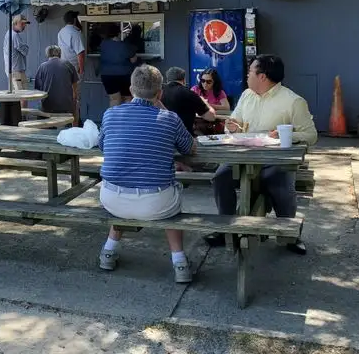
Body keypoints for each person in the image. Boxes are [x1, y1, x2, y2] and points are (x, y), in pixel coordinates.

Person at [206, 55, 318, 255]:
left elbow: (311, 135)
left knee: (278, 180)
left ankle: (289, 234)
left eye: (250, 72)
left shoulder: (293, 101)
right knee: (220, 177)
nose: (247, 76)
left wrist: (288, 135)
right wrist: (230, 125)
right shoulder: (247, 95)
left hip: (274, 159)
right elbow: (234, 121)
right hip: (241, 155)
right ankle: (225, 229)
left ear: (263, 77)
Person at [97, 65, 194, 283]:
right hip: (156, 203)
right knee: (173, 197)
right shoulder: (170, 119)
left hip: (112, 198)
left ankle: (108, 251)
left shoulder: (111, 114)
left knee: (127, 182)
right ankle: (179, 262)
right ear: (160, 93)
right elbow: (190, 148)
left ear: (131, 90)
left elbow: (103, 145)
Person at [161, 67, 217, 135]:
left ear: (167, 80)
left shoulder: (158, 93)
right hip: (183, 138)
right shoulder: (189, 94)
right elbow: (211, 117)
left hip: (161, 136)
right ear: (184, 80)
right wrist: (204, 101)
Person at [34, 45, 79, 121]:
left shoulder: (42, 67)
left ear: (47, 54)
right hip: (66, 106)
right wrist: (74, 101)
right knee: (76, 104)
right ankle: (74, 129)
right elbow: (75, 89)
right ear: (60, 54)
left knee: (39, 106)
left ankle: (44, 129)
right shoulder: (68, 65)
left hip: (47, 107)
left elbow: (38, 90)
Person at [99, 24, 137, 108]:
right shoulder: (125, 45)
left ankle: (113, 119)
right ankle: (126, 120)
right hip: (124, 75)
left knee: (114, 99)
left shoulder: (103, 44)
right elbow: (133, 60)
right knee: (127, 98)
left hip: (107, 75)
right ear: (119, 33)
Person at [57, 11, 85, 120]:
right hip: (74, 68)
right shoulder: (75, 33)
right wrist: (81, 70)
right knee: (76, 96)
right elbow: (80, 54)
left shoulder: (61, 32)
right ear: (74, 19)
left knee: (66, 95)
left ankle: (67, 118)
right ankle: (75, 120)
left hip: (63, 67)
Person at [2, 14, 30, 90]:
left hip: (16, 70)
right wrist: (26, 46)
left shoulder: (10, 34)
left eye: (25, 24)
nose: (24, 26)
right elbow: (25, 51)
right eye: (22, 23)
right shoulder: (14, 35)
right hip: (16, 71)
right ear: (15, 23)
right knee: (22, 96)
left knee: (22, 96)